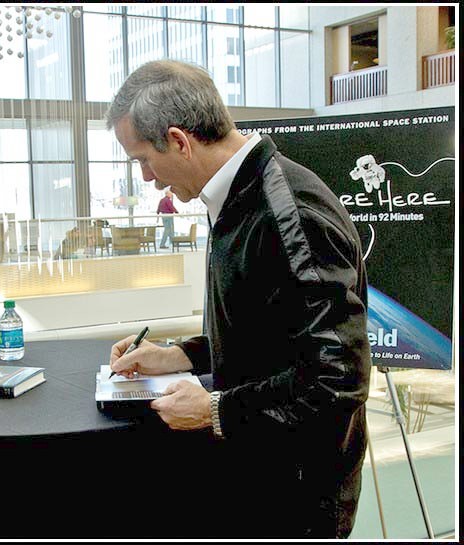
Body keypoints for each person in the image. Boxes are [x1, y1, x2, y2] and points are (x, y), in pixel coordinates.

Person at [106, 60, 371, 538]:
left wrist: (216, 411)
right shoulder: (238, 199)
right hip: (261, 476)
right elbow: (268, 333)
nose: (146, 177)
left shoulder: (289, 214)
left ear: (180, 141)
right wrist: (178, 355)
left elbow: (337, 381)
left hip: (296, 496)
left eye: (142, 159)